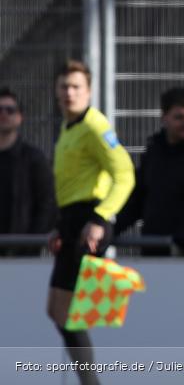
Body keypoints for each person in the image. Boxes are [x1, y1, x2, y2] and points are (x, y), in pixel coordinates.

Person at [47, 61, 135, 385]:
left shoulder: (96, 126)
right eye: (64, 87)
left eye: (76, 87)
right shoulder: (69, 126)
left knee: (69, 313)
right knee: (57, 311)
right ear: (57, 92)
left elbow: (124, 174)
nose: (69, 93)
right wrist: (60, 224)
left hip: (90, 223)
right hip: (72, 221)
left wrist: (100, 218)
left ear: (89, 91)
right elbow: (74, 183)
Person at [114, 88, 184, 256]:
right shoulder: (155, 151)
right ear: (164, 118)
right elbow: (139, 198)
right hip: (156, 247)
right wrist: (113, 228)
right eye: (179, 117)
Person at [0, 87, 56, 249]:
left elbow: (47, 205)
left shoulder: (33, 158)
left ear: (20, 117)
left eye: (10, 110)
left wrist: (30, 245)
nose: (3, 114)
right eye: (0, 109)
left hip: (20, 253)